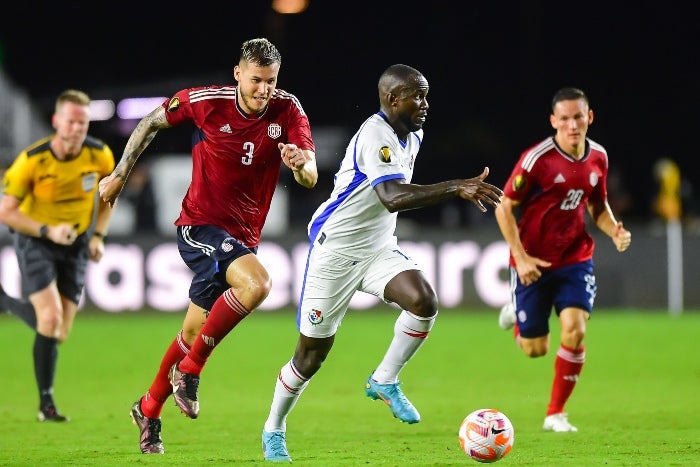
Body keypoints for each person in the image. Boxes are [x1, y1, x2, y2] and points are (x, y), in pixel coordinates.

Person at [259, 63, 504, 462]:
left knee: (424, 301)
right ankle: (274, 428)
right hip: (335, 252)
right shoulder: (376, 135)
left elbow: (392, 198)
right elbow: (392, 196)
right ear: (392, 99)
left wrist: (452, 187)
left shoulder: (414, 134)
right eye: (417, 96)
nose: (425, 104)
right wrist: (456, 186)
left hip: (376, 249)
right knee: (310, 357)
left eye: (426, 95)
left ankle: (384, 379)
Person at [98, 37, 318, 454]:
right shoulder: (205, 101)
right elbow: (149, 123)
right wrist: (120, 174)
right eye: (256, 80)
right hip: (199, 226)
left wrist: (300, 164)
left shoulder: (288, 109)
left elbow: (310, 175)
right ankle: (192, 370)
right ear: (238, 74)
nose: (263, 90)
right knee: (257, 285)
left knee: (191, 332)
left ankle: (148, 408)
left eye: (270, 81)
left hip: (240, 238)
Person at [495, 87, 632, 433]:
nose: (573, 124)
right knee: (534, 349)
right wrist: (521, 258)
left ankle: (556, 413)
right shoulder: (537, 159)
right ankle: (517, 317)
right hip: (533, 261)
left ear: (590, 117)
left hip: (575, 257)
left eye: (578, 117)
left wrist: (614, 229)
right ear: (554, 121)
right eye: (565, 118)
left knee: (575, 329)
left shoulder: (598, 157)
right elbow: (504, 207)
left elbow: (597, 207)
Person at [0, 89, 115, 422]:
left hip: (77, 243)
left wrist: (97, 235)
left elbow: (108, 197)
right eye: (71, 121)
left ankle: (5, 302)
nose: (77, 128)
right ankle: (46, 404)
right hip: (36, 240)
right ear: (56, 122)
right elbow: (6, 211)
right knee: (48, 319)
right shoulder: (32, 160)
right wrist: (47, 231)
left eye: (83, 122)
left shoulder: (100, 155)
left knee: (59, 332)